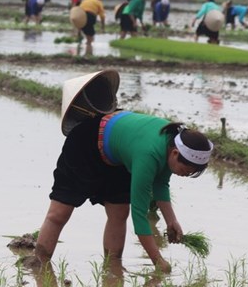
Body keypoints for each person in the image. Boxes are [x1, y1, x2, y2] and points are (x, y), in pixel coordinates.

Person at [34, 75, 214, 273]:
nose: (183, 175)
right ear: (175, 153)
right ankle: (39, 264)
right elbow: (140, 217)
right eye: (184, 171)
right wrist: (159, 262)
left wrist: (172, 221)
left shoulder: (172, 145)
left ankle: (113, 269)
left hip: (120, 157)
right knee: (59, 213)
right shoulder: (149, 155)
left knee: (119, 213)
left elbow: (161, 184)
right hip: (87, 144)